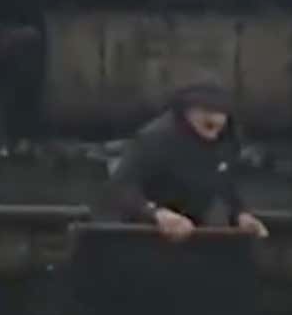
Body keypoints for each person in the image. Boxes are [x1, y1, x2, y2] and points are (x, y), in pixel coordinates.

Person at [100, 79, 270, 243]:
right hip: (141, 231)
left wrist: (240, 214)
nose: (215, 117)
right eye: (206, 109)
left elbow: (225, 185)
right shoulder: (156, 139)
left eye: (221, 111)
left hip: (193, 229)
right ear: (187, 111)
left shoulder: (228, 141)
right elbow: (120, 187)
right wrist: (155, 213)